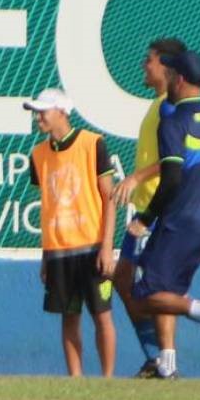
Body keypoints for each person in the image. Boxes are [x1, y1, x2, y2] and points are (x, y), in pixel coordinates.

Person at [125, 50, 200, 379]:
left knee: (144, 295)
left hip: (181, 221)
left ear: (178, 79)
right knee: (168, 292)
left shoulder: (175, 121)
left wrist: (146, 218)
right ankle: (168, 365)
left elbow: (172, 178)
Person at [24, 88, 118, 378]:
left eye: (44, 111)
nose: (39, 117)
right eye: (37, 112)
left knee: (102, 315)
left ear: (62, 112)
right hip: (58, 250)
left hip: (91, 246)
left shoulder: (93, 144)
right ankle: (75, 380)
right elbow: (49, 205)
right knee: (69, 317)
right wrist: (44, 256)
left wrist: (106, 246)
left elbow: (109, 197)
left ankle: (107, 378)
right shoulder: (38, 154)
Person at [110, 38, 189, 378]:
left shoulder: (170, 106)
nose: (144, 65)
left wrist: (136, 177)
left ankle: (168, 360)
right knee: (123, 278)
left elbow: (176, 158)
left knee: (158, 286)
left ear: (167, 68)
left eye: (150, 60)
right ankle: (155, 357)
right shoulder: (157, 104)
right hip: (144, 209)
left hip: (162, 210)